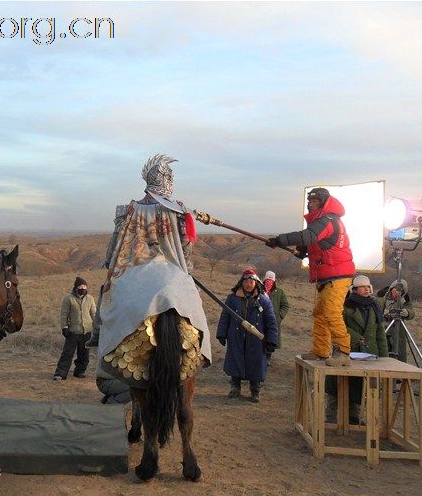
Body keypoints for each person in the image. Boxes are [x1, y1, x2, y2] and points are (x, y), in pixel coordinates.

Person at [97, 154, 211, 387]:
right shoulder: (179, 211)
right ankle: (202, 346)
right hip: (170, 267)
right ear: (168, 180)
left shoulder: (128, 210)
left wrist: (111, 267)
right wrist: (186, 270)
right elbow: (186, 248)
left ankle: (98, 335)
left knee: (108, 294)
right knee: (193, 301)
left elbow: (115, 245)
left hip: (134, 267)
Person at [267, 187, 355, 366]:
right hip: (329, 275)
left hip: (337, 275)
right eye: (309, 201)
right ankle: (321, 351)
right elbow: (318, 243)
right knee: (320, 314)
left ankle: (343, 352)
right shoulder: (325, 220)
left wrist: (280, 240)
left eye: (314, 200)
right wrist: (303, 251)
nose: (310, 203)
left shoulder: (327, 220)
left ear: (324, 202)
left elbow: (309, 236)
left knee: (331, 312)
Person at [326, 275, 387, 423]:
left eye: (368, 287)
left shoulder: (374, 307)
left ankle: (354, 416)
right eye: (363, 287)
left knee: (360, 386)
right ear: (355, 289)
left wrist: (385, 357)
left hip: (368, 353)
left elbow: (380, 334)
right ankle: (331, 415)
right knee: (338, 383)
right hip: (347, 350)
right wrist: (354, 336)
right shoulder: (346, 305)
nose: (366, 290)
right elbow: (338, 327)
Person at [216, 270, 278, 403]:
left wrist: (272, 339)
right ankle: (235, 387)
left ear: (256, 283)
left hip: (256, 340)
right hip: (236, 337)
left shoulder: (264, 300)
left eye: (251, 281)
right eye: (246, 281)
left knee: (256, 364)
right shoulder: (232, 298)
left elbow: (271, 321)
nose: (248, 284)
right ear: (241, 283)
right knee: (235, 361)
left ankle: (255, 390)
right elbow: (225, 317)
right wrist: (221, 333)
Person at [53, 277, 96, 380]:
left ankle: (79, 371)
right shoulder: (69, 299)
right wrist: (64, 327)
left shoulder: (90, 299)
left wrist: (97, 326)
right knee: (67, 353)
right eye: (81, 286)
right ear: (76, 287)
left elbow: (94, 313)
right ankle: (60, 373)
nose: (83, 288)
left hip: (87, 331)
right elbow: (64, 315)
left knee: (84, 355)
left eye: (85, 286)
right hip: (73, 331)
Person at [377, 279, 415, 363]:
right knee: (381, 355)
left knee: (398, 357)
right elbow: (373, 309)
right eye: (396, 290)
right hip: (382, 329)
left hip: (397, 331)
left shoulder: (405, 299)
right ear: (391, 288)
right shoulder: (381, 296)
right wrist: (382, 313)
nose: (398, 293)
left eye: (401, 291)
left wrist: (407, 313)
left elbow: (411, 312)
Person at [262, 270, 289, 366]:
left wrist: (280, 316)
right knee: (260, 337)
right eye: (267, 280)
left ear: (274, 281)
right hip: (260, 319)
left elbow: (285, 305)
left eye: (271, 280)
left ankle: (268, 357)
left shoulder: (279, 292)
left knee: (271, 338)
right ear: (264, 279)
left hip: (274, 320)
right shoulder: (260, 290)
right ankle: (261, 357)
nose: (269, 282)